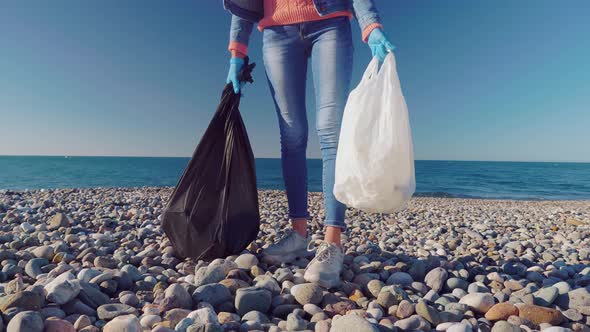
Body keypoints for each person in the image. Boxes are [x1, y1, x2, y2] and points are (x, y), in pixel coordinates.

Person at [224, 0, 395, 288]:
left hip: (329, 23)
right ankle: (297, 235)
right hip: (276, 33)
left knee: (330, 130)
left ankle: (332, 242)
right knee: (291, 135)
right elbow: (242, 6)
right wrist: (237, 52)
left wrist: (370, 25)